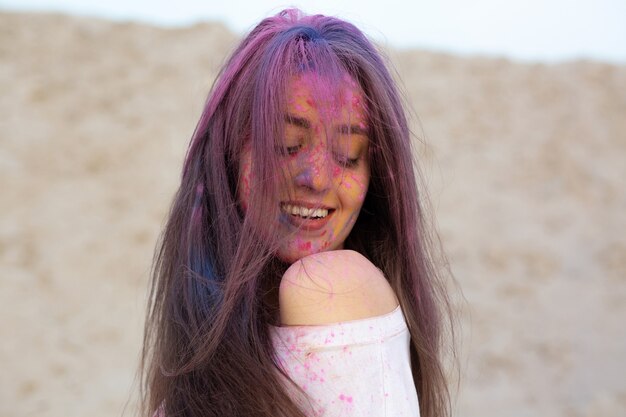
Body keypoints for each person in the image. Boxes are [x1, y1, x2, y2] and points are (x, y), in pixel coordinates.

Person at [141, 8, 455, 417]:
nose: (318, 178)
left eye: (348, 155)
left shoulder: (331, 289)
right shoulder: (210, 356)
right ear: (227, 155)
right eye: (288, 145)